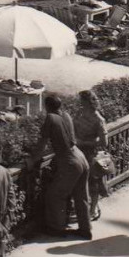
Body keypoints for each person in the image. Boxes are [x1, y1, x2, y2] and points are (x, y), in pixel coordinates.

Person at [27, 94, 92, 239]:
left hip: (69, 161)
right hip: (80, 156)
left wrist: (32, 160)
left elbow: (42, 144)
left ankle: (57, 229)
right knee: (81, 196)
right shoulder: (66, 115)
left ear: (47, 107)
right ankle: (85, 229)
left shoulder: (50, 118)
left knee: (55, 195)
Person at [73, 90, 109, 221]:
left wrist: (85, 142)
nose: (80, 103)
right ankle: (83, 208)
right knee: (78, 181)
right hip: (77, 152)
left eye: (82, 101)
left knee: (93, 183)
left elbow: (104, 142)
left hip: (90, 154)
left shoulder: (99, 119)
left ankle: (92, 210)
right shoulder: (79, 114)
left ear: (89, 102)